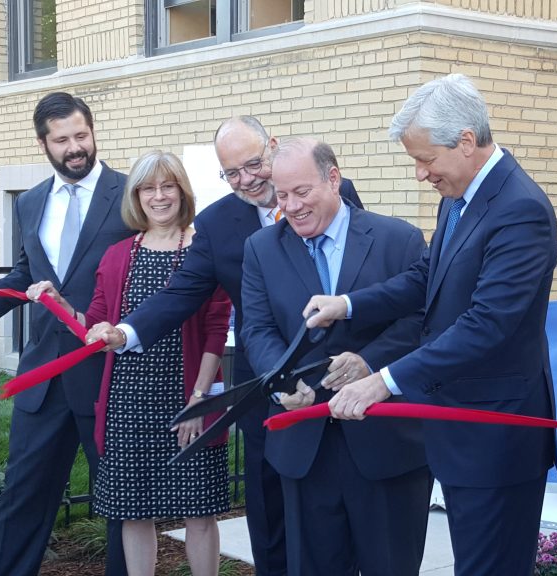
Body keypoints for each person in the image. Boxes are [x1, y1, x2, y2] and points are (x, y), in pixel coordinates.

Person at [304, 73, 557, 575]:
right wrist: (348, 304)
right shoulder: (460, 196)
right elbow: (428, 277)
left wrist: (385, 379)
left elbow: (486, 323)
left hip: (497, 437)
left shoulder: (519, 209)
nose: (421, 174)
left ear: (466, 142)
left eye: (425, 159)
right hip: (460, 431)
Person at [85, 115, 362, 576]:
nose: (246, 179)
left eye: (253, 164)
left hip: (335, 377)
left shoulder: (332, 192)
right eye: (231, 173)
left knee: (333, 508)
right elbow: (182, 294)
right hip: (262, 384)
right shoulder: (217, 223)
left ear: (272, 148)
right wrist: (126, 332)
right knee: (268, 509)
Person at [0, 92, 129, 576]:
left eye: (82, 135)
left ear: (93, 131)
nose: (75, 148)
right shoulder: (30, 202)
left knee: (121, 505)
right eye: (62, 139)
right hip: (44, 374)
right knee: (21, 496)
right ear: (43, 143)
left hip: (110, 373)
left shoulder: (131, 194)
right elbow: (30, 273)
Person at [31, 151, 230, 575]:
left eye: (167, 186)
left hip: (187, 395)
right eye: (147, 188)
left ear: (182, 190)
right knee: (134, 510)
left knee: (199, 510)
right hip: (128, 400)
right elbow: (97, 329)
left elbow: (216, 329)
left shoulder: (205, 249)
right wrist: (61, 304)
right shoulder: (118, 254)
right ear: (136, 197)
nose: (158, 197)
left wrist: (199, 399)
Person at [242, 137, 430, 575]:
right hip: (304, 449)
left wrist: (369, 363)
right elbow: (257, 328)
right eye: (281, 194)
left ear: (333, 178)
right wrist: (283, 380)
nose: (290, 206)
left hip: (386, 446)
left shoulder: (397, 239)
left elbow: (421, 319)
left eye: (301, 192)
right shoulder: (261, 249)